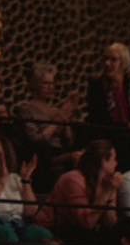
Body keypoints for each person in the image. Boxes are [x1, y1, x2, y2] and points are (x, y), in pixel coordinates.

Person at [39, 139, 122, 245]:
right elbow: (86, 222)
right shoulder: (73, 179)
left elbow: (111, 223)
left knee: (118, 237)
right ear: (103, 161)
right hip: (56, 228)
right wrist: (106, 192)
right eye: (114, 159)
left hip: (79, 231)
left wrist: (111, 193)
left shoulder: (107, 181)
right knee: (88, 238)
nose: (116, 164)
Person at [14, 62, 81, 190]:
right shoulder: (26, 109)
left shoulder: (55, 110)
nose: (50, 87)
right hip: (42, 158)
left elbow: (69, 141)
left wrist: (68, 117)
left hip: (60, 154)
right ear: (35, 85)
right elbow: (36, 141)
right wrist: (59, 119)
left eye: (52, 83)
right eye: (46, 84)